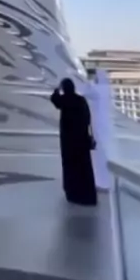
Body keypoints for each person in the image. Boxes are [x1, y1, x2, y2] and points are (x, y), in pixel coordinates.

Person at [51, 77, 97, 206]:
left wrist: (57, 89)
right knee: (84, 167)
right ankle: (88, 195)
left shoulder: (65, 100)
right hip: (82, 139)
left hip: (69, 141)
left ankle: (74, 193)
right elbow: (88, 118)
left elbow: (54, 99)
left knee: (71, 167)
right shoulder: (81, 100)